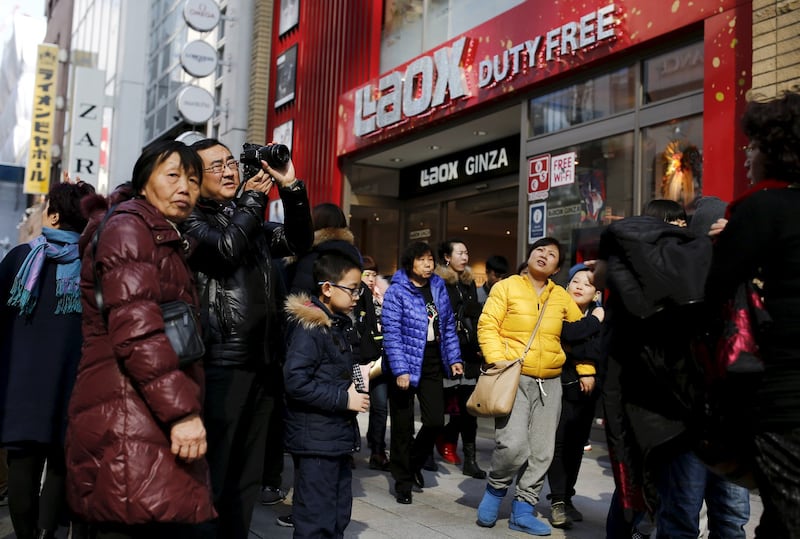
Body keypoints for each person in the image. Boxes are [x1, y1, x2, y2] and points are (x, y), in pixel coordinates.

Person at [65, 140, 216, 538]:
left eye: (193, 180)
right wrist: (181, 413)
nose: (185, 187)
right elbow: (138, 332)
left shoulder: (159, 232)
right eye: (173, 175)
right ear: (144, 182)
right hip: (129, 412)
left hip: (140, 408)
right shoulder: (130, 229)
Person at [179, 138, 312, 539]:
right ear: (194, 178)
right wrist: (252, 200)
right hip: (222, 360)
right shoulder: (189, 218)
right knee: (217, 471)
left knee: (248, 474)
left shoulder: (244, 216)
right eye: (216, 166)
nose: (228, 171)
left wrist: (290, 187)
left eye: (230, 163)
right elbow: (225, 249)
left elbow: (299, 241)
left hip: (264, 359)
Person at [706, 90, 800, 538]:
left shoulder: (760, 209)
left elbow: (715, 300)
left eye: (755, 145)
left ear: (776, 151)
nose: (748, 156)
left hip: (784, 400)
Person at [594, 199, 712, 538]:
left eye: (682, 223)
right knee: (647, 490)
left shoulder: (685, 267)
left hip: (675, 401)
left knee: (660, 493)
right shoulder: (638, 267)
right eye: (673, 223)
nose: (680, 230)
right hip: (649, 400)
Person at [0, 181, 95, 539]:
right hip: (72, 384)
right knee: (60, 465)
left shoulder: (19, 259)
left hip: (21, 386)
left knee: (21, 468)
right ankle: (47, 533)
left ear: (53, 216)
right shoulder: (92, 265)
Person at [475, 237, 583, 536]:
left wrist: (587, 370)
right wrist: (498, 360)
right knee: (513, 445)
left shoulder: (560, 296)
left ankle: (523, 508)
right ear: (529, 255)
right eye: (539, 250)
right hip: (514, 378)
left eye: (552, 254)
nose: (544, 255)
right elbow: (488, 325)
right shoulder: (506, 287)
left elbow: (578, 336)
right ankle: (496, 489)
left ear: (557, 268)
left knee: (542, 451)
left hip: (550, 381)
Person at [283, 252, 370, 539]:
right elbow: (296, 382)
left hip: (334, 437)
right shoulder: (310, 327)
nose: (356, 296)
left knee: (337, 514)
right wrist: (345, 399)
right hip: (316, 441)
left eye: (359, 289)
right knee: (315, 518)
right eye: (352, 289)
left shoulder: (335, 323)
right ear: (328, 288)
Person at [382, 241, 463, 505]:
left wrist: (454, 358)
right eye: (421, 260)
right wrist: (400, 370)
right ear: (410, 263)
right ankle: (402, 483)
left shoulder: (438, 287)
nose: (428, 265)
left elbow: (447, 326)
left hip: (431, 361)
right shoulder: (397, 291)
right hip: (403, 363)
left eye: (430, 260)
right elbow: (391, 334)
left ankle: (413, 463)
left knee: (435, 421)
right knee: (402, 428)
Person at [546, 263, 604, 530]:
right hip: (557, 384)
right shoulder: (558, 307)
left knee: (576, 445)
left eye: (587, 284)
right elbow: (564, 334)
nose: (580, 286)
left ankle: (567, 497)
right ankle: (557, 500)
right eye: (576, 281)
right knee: (557, 444)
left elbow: (598, 350)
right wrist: (592, 324)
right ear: (567, 285)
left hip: (587, 393)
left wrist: (575, 346)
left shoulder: (603, 315)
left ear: (596, 293)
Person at [434, 239, 485, 478]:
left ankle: (470, 460)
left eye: (466, 252)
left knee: (468, 408)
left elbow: (474, 317)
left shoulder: (469, 282)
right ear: (447, 257)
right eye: (460, 253)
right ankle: (429, 449)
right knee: (438, 407)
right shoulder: (438, 282)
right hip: (444, 351)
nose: (465, 257)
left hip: (468, 352)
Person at [357, 255, 391, 471]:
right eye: (367, 274)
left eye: (373, 274)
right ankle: (348, 449)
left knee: (380, 407)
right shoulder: (355, 295)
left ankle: (378, 451)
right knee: (353, 406)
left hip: (380, 360)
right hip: (360, 359)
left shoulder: (382, 296)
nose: (371, 279)